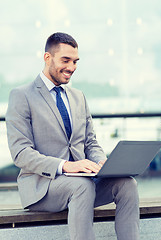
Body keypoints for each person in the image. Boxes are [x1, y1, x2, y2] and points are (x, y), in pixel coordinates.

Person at [6, 32, 139, 240]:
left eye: (75, 61)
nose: (71, 67)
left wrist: (102, 162)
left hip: (82, 182)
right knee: (82, 186)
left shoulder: (78, 97)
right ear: (47, 58)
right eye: (65, 60)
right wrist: (65, 166)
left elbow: (90, 142)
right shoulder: (21, 96)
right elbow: (20, 153)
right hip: (43, 188)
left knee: (127, 184)